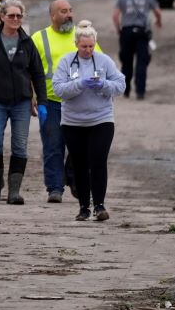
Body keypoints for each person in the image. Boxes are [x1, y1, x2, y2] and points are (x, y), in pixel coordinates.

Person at [0, 0, 46, 205]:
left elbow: (37, 73)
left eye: (19, 16)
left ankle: (14, 191)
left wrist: (42, 102)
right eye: (11, 15)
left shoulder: (27, 43)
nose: (15, 19)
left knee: (20, 146)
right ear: (1, 17)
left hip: (21, 102)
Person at [51, 24, 126, 221]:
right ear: (76, 44)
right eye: (84, 46)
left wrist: (103, 85)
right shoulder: (66, 62)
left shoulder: (104, 61)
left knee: (98, 161)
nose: (88, 50)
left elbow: (121, 85)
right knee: (80, 164)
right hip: (73, 121)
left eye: (91, 46)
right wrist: (79, 84)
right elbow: (58, 89)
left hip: (101, 119)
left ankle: (99, 205)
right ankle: (83, 206)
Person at [32, 0, 79, 203]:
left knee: (79, 145)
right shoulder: (39, 38)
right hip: (50, 101)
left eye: (70, 10)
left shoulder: (82, 35)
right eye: (63, 11)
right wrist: (32, 95)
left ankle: (72, 177)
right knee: (53, 146)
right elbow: (29, 69)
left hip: (78, 102)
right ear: (53, 16)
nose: (69, 14)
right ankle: (55, 188)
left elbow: (100, 62)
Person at [111, 0, 161, 100]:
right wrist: (158, 22)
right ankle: (140, 91)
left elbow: (115, 16)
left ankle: (126, 90)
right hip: (142, 32)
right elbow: (158, 12)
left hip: (127, 31)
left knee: (126, 62)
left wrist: (118, 29)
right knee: (142, 62)